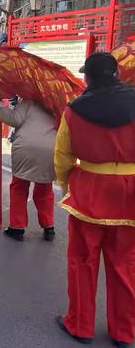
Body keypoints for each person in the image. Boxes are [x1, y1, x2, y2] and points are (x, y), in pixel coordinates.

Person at [55, 52, 135, 347]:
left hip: (89, 190)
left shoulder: (74, 111)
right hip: (130, 194)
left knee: (82, 262)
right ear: (116, 74)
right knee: (126, 264)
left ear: (87, 78)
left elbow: (62, 155)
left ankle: (80, 324)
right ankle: (123, 332)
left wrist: (66, 183)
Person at [0, 99, 56, 242]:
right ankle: (49, 227)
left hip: (25, 149)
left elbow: (14, 119)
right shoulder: (56, 103)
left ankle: (17, 227)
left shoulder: (28, 102)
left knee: (19, 188)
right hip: (50, 150)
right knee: (45, 189)